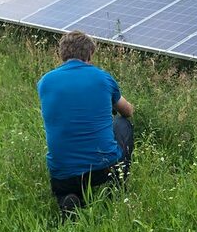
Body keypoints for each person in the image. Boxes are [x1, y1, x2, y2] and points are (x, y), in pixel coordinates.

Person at [37, 30, 135, 218]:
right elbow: (127, 111)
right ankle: (116, 186)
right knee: (122, 124)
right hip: (102, 170)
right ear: (89, 54)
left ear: (61, 54)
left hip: (62, 175)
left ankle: (69, 198)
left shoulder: (45, 82)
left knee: (66, 185)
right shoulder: (102, 78)